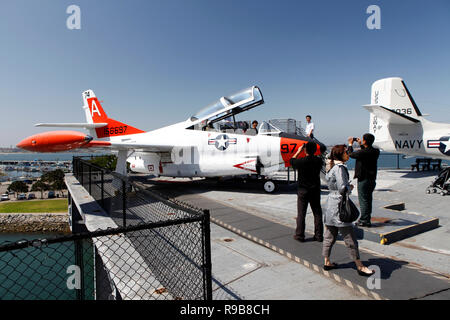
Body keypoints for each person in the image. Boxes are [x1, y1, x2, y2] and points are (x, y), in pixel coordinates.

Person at [322, 144, 375, 276]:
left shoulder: (331, 167)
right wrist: (350, 187)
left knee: (329, 236)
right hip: (340, 206)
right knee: (350, 238)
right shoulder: (340, 169)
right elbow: (343, 188)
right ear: (341, 154)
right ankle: (360, 266)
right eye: (346, 152)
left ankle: (327, 261)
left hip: (330, 205)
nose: (348, 154)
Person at [290, 141, 324, 242]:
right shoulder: (319, 161)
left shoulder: (301, 161)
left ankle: (300, 235)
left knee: (301, 213)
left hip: (303, 190)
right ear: (315, 150)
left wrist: (298, 151)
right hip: (315, 190)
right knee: (317, 213)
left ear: (305, 150)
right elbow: (319, 159)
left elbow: (292, 161)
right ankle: (318, 236)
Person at [347, 133, 380, 227]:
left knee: (363, 200)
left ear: (365, 141)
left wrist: (350, 144)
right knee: (368, 199)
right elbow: (366, 151)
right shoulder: (376, 151)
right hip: (372, 179)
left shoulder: (363, 152)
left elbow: (351, 154)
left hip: (363, 179)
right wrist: (361, 144)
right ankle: (367, 218)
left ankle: (364, 220)